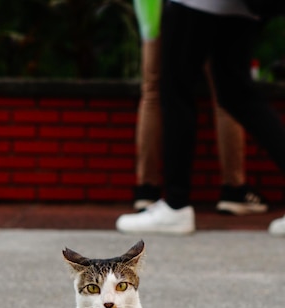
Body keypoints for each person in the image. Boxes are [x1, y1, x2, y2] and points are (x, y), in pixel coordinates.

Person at [118, 0, 285, 235]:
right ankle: (185, 202)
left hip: (195, 3)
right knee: (236, 95)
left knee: (175, 90)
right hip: (241, 7)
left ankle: (176, 205)